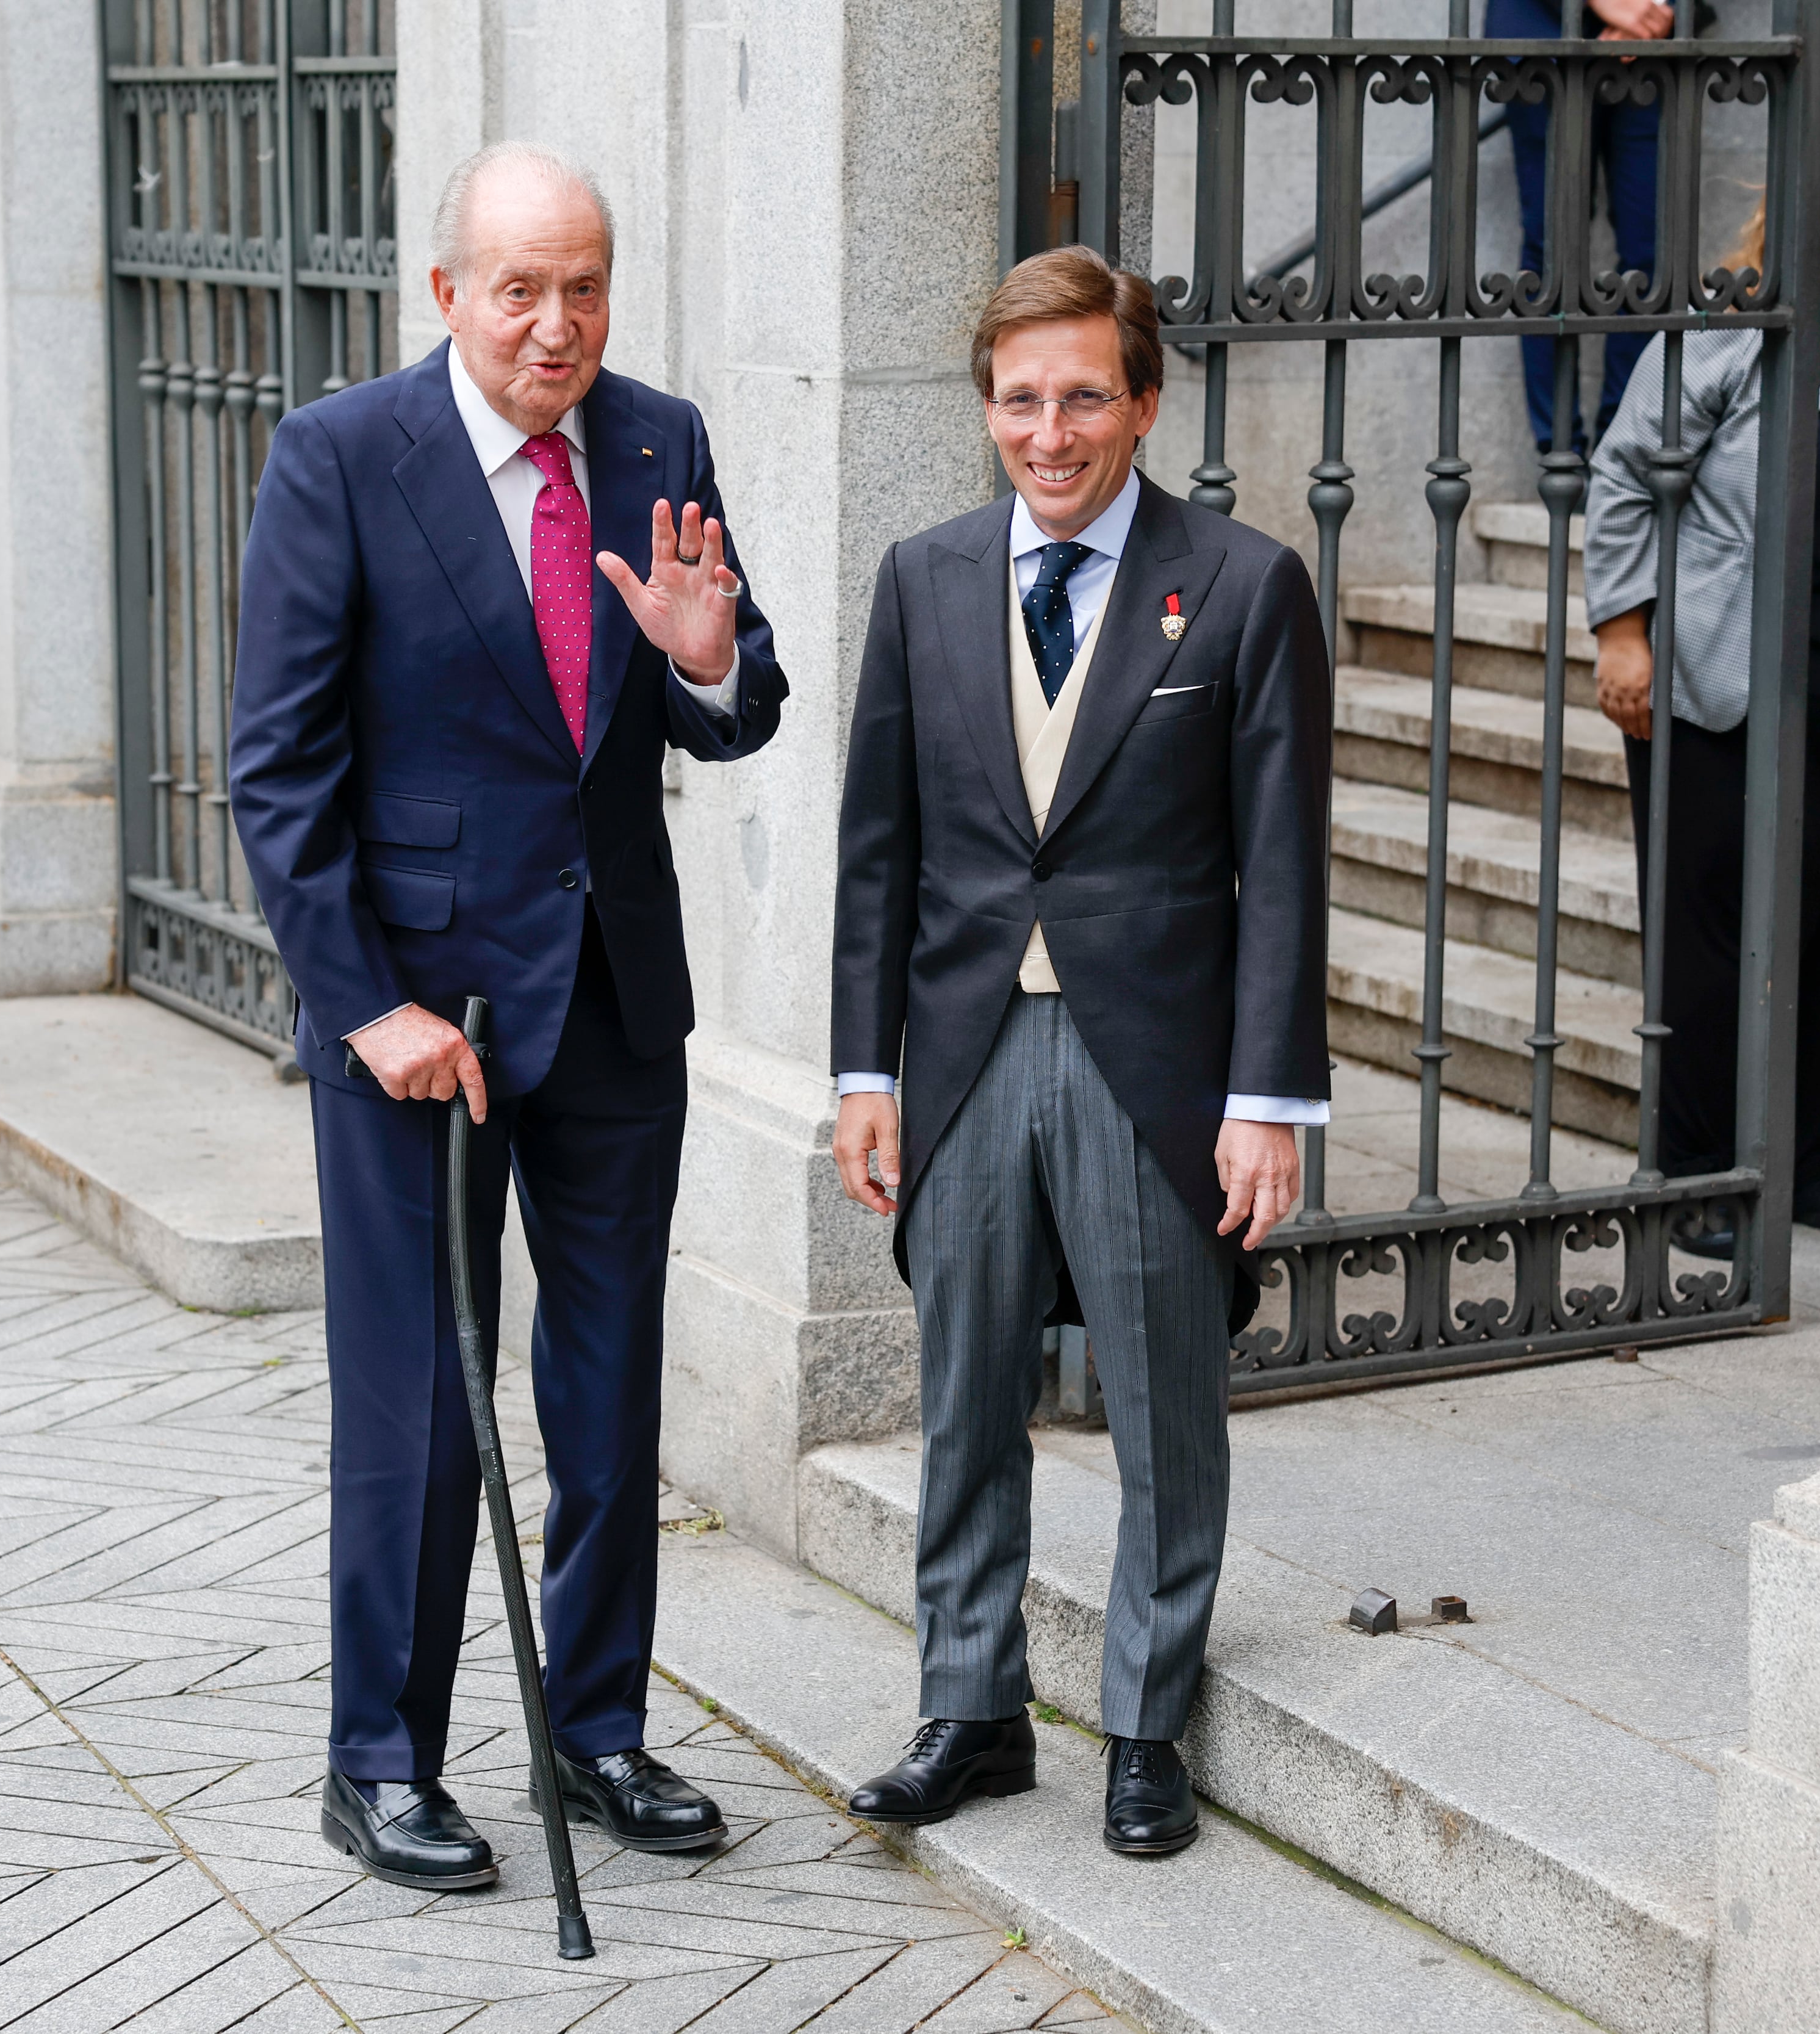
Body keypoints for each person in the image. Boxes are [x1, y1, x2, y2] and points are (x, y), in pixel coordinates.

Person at [229, 143, 786, 1891]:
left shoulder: (656, 437)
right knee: (415, 1393)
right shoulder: (339, 460)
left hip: (614, 991)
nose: (560, 324)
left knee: (612, 1390)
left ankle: (597, 1724)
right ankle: (379, 1755)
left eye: (589, 284)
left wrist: (708, 659)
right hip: (424, 1017)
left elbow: (736, 693)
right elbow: (280, 770)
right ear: (448, 292)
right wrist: (363, 1003)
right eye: (524, 287)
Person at [827, 245, 1331, 1858]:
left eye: (1085, 397)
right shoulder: (922, 577)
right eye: (1023, 400)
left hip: (1152, 1061)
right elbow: (878, 853)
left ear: (1145, 399)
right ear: (988, 410)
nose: (1054, 432)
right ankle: (970, 1708)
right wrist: (864, 1067)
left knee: (1162, 1404)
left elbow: (1283, 867)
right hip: (967, 1049)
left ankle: (1143, 1721)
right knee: (965, 1389)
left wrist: (1266, 1102)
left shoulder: (1244, 587)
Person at [1584, 98, 1820, 1232]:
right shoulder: (1739, 322)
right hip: (1719, 670)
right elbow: (1623, 476)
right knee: (1712, 930)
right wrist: (1624, 631)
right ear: (1797, 205)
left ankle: (1803, 1162)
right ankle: (1697, 1173)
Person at [1487, 0, 1677, 453]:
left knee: (1654, 252)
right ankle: (1561, 454)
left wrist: (1654, 11)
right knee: (1553, 251)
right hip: (1541, 32)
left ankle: (1622, 446)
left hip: (1653, 41)